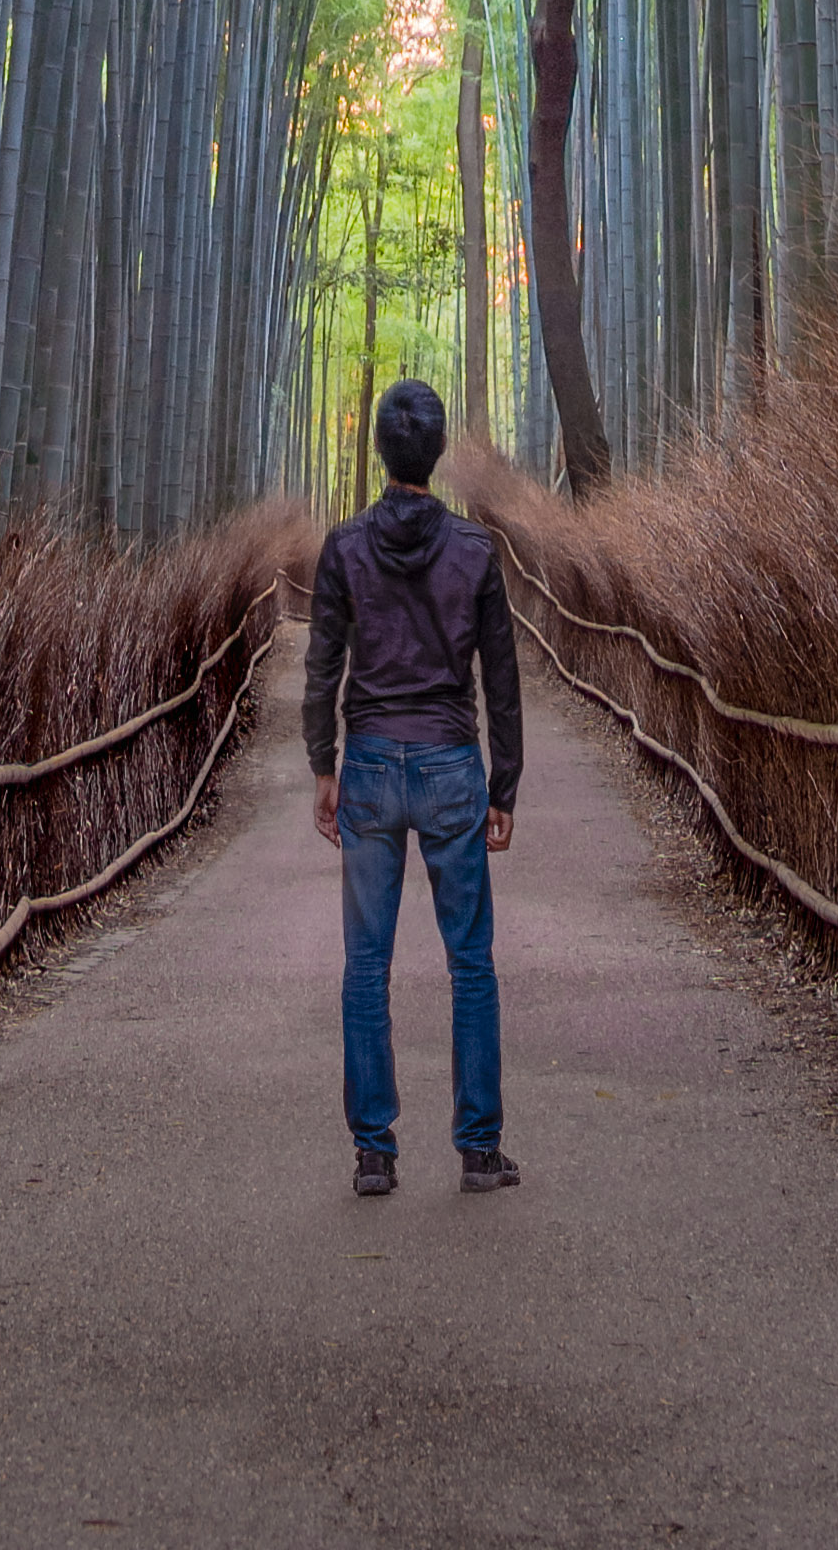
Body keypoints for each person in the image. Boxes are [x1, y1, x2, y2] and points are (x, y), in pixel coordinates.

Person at [303, 372, 523, 1202]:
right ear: (436, 454)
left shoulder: (345, 546)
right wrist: (505, 788)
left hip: (368, 765)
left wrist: (324, 766)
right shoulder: (475, 550)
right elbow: (500, 681)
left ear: (382, 451)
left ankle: (374, 1154)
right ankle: (477, 1151)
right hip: (449, 767)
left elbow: (324, 666)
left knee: (367, 963)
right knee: (470, 962)